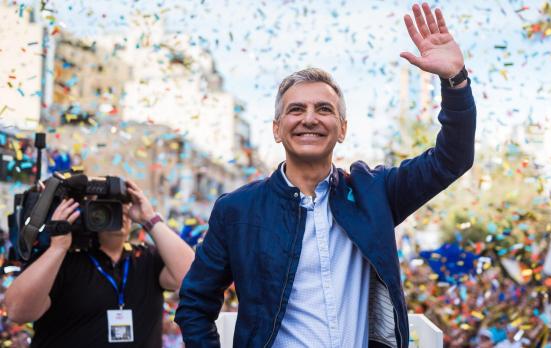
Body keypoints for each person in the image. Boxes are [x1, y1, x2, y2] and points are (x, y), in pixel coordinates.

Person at [175, 2, 475, 347]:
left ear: (342, 128)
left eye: (324, 109)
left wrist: (455, 80)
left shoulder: (374, 194)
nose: (310, 118)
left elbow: (452, 158)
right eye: (296, 109)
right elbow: (195, 305)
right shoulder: (237, 211)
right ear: (277, 129)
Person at [5, 179, 195, 347]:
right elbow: (18, 311)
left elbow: (193, 275)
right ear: (86, 212)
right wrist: (57, 247)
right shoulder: (62, 260)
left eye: (123, 205)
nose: (116, 212)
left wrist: (150, 219)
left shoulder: (147, 259)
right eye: (104, 206)